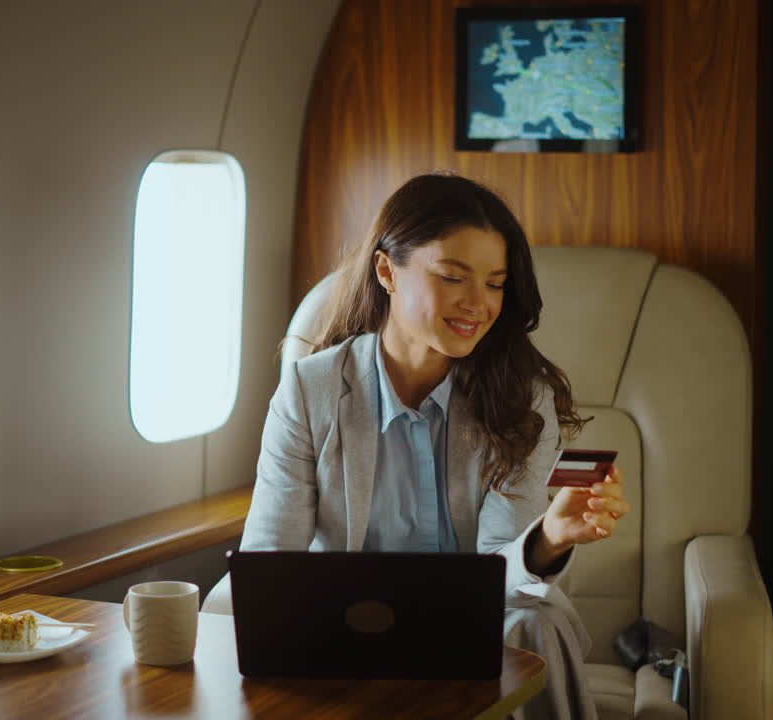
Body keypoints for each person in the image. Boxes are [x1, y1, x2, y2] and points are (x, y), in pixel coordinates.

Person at [240, 172, 630, 719]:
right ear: (386, 272)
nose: (478, 304)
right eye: (453, 277)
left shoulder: (522, 398)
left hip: (479, 623)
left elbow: (506, 570)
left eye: (495, 284)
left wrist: (551, 536)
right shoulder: (311, 389)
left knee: (534, 621)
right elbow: (269, 563)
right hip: (344, 628)